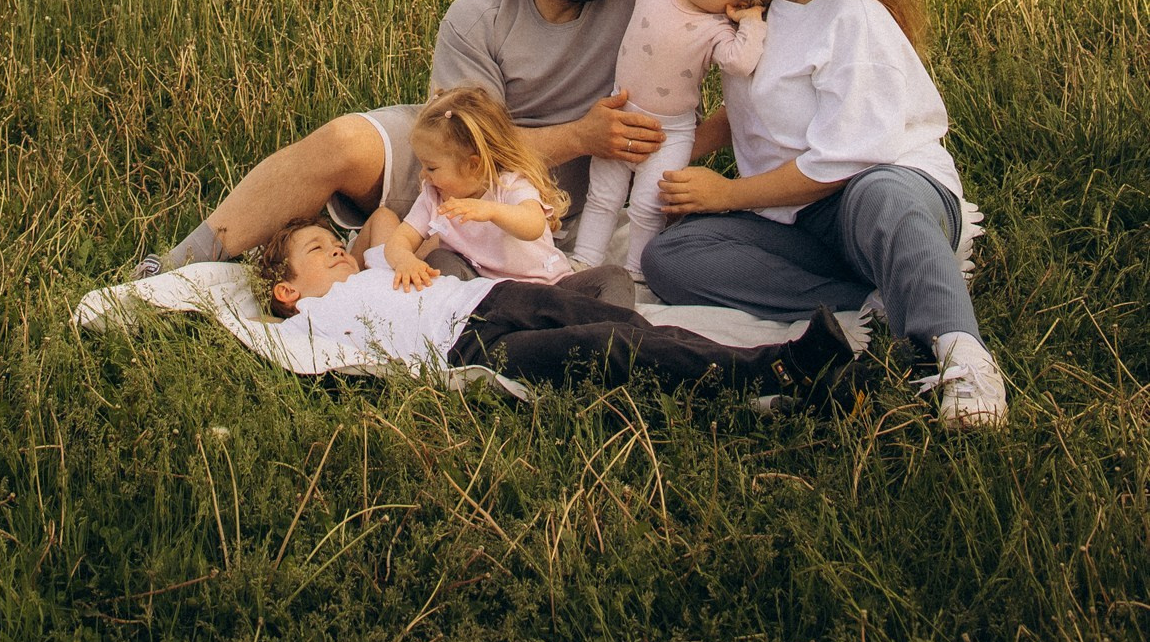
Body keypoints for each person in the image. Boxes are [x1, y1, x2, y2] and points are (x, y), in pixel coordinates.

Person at [641, 0, 1009, 429]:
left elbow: (839, 167)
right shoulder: (765, 4)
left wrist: (725, 195)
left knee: (880, 197)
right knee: (672, 255)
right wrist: (664, 153)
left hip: (878, 191)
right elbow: (749, 112)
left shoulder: (853, 19)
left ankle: (962, 356)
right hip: (800, 217)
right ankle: (872, 297)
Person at [149, 0, 662, 273]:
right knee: (342, 142)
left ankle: (352, 242)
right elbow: (467, 144)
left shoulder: (634, 2)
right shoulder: (479, 16)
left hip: (534, 195)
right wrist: (581, 136)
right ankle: (176, 266)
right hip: (451, 163)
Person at [256, 222, 859, 401]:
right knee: (603, 348)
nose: (336, 248)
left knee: (628, 326)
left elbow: (385, 225)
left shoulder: (377, 268)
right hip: (469, 352)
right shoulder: (309, 324)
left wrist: (376, 249)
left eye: (333, 241)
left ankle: (775, 383)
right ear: (286, 290)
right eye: (316, 248)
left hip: (486, 298)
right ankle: (773, 369)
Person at [570, 0, 772, 279]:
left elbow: (741, 63)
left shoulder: (717, 30)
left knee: (649, 204)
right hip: (621, 114)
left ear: (738, 3)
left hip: (672, 132)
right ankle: (584, 262)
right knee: (604, 195)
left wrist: (751, 24)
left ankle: (637, 275)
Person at [369, 83, 573, 289]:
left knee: (605, 279)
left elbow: (533, 225)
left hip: (549, 286)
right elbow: (400, 239)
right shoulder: (435, 197)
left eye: (431, 168)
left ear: (473, 166)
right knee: (440, 258)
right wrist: (405, 260)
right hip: (487, 293)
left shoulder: (509, 184)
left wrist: (491, 210)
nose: (423, 175)